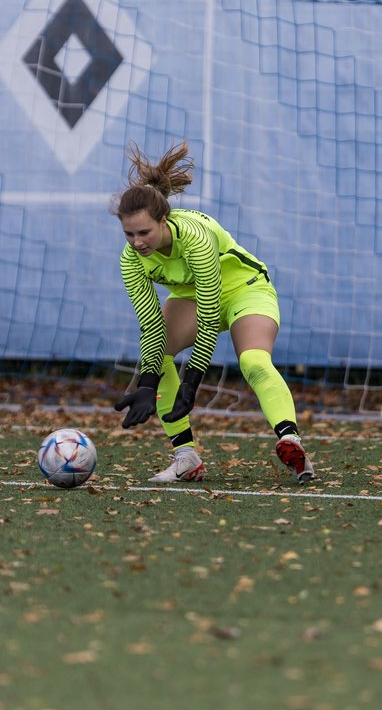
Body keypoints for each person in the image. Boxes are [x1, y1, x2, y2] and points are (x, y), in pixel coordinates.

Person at [111, 140, 315, 484]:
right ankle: (185, 456)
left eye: (144, 232)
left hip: (244, 290)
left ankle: (290, 441)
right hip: (191, 297)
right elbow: (151, 328)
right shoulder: (131, 260)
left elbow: (208, 322)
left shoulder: (196, 241)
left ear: (164, 221)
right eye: (128, 234)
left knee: (253, 361)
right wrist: (147, 384)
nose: (137, 242)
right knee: (156, 356)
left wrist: (191, 383)